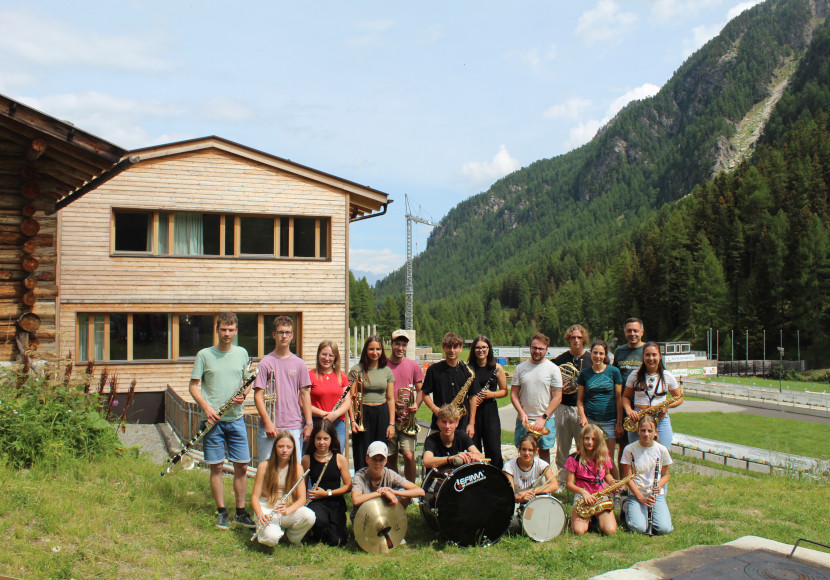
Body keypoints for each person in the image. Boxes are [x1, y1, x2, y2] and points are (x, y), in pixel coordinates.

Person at [188, 311, 256, 530]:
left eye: (231, 330)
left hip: (236, 419)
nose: (227, 333)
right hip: (212, 421)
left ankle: (241, 511)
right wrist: (206, 408)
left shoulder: (242, 353)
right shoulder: (204, 355)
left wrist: (243, 395)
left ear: (236, 331)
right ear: (217, 330)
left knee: (242, 466)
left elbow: (248, 381)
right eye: (224, 329)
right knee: (216, 467)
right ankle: (221, 511)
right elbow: (193, 386)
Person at [253, 316, 312, 462]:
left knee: (293, 470)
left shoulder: (299, 363)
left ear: (292, 336)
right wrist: (267, 422)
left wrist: (309, 423)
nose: (284, 336)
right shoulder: (265, 362)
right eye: (280, 332)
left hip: (294, 425)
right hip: (271, 426)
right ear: (274, 335)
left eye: (287, 332)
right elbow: (258, 396)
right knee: (266, 469)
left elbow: (305, 394)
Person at [251, 431, 316, 546]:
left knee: (309, 516)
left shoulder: (297, 468)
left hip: (285, 508)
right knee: (271, 539)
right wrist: (260, 514)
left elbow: (302, 499)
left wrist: (287, 511)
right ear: (275, 448)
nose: (284, 450)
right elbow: (255, 497)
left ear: (293, 449)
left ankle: (291, 538)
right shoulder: (264, 466)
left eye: (288, 447)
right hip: (267, 508)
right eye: (280, 446)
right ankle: (272, 532)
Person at [510, 333, 562, 464]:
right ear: (530, 347)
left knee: (544, 453)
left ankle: (544, 477)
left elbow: (557, 397)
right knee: (523, 453)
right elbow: (514, 394)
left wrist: (543, 418)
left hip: (545, 420)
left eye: (541, 349)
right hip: (524, 420)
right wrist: (521, 413)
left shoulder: (553, 369)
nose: (537, 351)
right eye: (534, 348)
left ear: (546, 350)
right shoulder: (520, 368)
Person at [552, 324, 592, 487]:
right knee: (563, 447)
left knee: (584, 446)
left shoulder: (591, 359)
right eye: (573, 337)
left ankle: (583, 480)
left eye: (579, 337)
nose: (576, 340)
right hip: (563, 407)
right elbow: (550, 382)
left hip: (583, 409)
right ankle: (562, 481)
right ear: (568, 339)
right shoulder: (560, 360)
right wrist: (559, 389)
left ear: (584, 339)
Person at [576, 340, 624, 477]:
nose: (598, 356)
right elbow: (580, 400)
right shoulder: (585, 373)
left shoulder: (613, 372)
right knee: (588, 458)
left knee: (608, 460)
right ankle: (591, 485)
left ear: (605, 355)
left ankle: (617, 487)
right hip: (591, 421)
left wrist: (619, 423)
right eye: (595, 353)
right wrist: (583, 417)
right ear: (591, 353)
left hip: (609, 421)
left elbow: (619, 399)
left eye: (601, 353)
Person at [622, 341, 684, 446]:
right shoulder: (634, 375)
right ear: (643, 357)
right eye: (648, 355)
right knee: (636, 452)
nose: (651, 358)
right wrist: (629, 410)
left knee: (664, 451)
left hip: (660, 418)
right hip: (638, 417)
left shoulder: (667, 376)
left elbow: (679, 398)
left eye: (654, 355)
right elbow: (626, 397)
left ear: (660, 356)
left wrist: (667, 406)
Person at [620, 415, 674, 535]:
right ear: (638, 430)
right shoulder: (629, 449)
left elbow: (666, 475)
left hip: (655, 496)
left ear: (656, 432)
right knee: (639, 528)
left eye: (650, 431)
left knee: (663, 529)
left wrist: (659, 485)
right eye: (643, 430)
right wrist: (641, 498)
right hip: (636, 495)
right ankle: (626, 506)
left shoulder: (662, 450)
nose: (646, 434)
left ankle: (646, 512)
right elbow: (628, 478)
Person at [301, 420, 352, 546]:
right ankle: (316, 531)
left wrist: (327, 493)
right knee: (320, 521)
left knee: (337, 541)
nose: (321, 442)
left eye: (325, 439)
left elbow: (348, 486)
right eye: (318, 438)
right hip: (316, 501)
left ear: (331, 439)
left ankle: (329, 530)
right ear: (313, 439)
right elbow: (303, 486)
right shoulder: (307, 459)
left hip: (335, 501)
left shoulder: (339, 459)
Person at [349, 335, 395, 471]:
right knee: (361, 451)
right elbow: (351, 398)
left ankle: (379, 481)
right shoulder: (356, 370)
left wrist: (391, 424)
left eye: (378, 349)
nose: (375, 352)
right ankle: (361, 481)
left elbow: (390, 399)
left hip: (381, 413)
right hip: (362, 414)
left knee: (380, 450)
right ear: (365, 350)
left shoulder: (386, 371)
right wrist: (352, 421)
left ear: (382, 351)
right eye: (371, 349)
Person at [350, 441, 425, 523]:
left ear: (385, 461)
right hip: (363, 519)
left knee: (404, 495)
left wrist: (394, 492)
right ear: (367, 459)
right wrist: (383, 493)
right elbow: (356, 499)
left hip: (384, 515)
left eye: (381, 460)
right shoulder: (360, 475)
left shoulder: (390, 474)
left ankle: (395, 522)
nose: (377, 463)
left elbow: (420, 491)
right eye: (374, 459)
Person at [386, 329, 425, 483]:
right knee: (391, 457)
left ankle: (411, 488)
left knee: (409, 456)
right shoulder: (383, 365)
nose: (400, 348)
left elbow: (421, 390)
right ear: (391, 344)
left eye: (403, 345)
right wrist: (391, 402)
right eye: (397, 344)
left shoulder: (413, 365)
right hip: (390, 419)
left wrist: (416, 404)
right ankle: (395, 487)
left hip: (407, 419)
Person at [565, 424, 617, 535]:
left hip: (600, 495)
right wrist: (583, 492)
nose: (590, 442)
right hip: (583, 496)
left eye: (593, 439)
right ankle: (592, 518)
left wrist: (612, 482)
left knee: (610, 530)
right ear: (582, 439)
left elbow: (607, 475)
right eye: (587, 438)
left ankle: (595, 518)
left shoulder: (604, 456)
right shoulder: (574, 458)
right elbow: (569, 484)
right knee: (579, 531)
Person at [466, 335, 508, 469]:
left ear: (489, 349)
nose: (481, 350)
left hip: (490, 413)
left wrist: (491, 394)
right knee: (473, 450)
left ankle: (495, 476)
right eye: (478, 347)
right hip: (472, 413)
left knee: (494, 449)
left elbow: (504, 391)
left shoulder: (497, 368)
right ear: (473, 350)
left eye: (484, 347)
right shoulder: (468, 368)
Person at [502, 434, 557, 532]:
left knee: (544, 481)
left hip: (535, 499)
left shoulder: (541, 464)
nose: (527, 453)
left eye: (530, 450)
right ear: (519, 449)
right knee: (511, 525)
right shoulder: (509, 466)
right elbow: (510, 495)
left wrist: (530, 492)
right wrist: (521, 498)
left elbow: (554, 485)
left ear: (536, 451)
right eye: (524, 449)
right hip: (516, 502)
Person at [422, 332, 473, 432]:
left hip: (462, 424)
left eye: (455, 347)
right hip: (439, 423)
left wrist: (471, 423)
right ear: (443, 348)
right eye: (449, 347)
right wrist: (435, 409)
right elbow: (424, 393)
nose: (452, 350)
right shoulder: (433, 370)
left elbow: (473, 397)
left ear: (461, 348)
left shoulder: (468, 371)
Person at [308, 340, 351, 453]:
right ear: (318, 355)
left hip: (337, 423)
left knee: (336, 457)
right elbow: (303, 402)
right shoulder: (310, 375)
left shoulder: (342, 376)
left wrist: (335, 414)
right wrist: (324, 414)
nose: (327, 358)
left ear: (335, 357)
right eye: (324, 354)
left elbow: (347, 401)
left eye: (331, 355)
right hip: (316, 422)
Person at [422, 404, 482, 473]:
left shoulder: (462, 436)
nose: (447, 426)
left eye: (451, 422)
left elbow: (481, 456)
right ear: (438, 422)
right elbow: (426, 461)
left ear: (457, 423)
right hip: (437, 477)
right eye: (444, 422)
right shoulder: (431, 439)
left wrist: (474, 456)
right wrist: (450, 459)